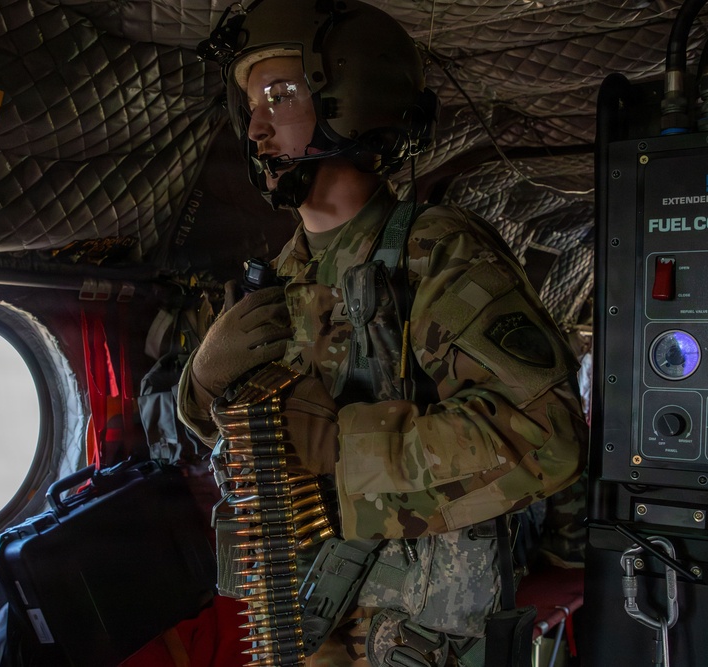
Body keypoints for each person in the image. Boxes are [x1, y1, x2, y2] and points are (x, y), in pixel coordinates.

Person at [178, 1, 589, 666]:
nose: (256, 125)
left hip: (426, 642)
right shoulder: (277, 281)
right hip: (306, 627)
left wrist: (345, 449)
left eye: (279, 95)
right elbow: (248, 446)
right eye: (250, 103)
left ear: (351, 98)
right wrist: (198, 389)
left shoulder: (435, 252)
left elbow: (549, 435)